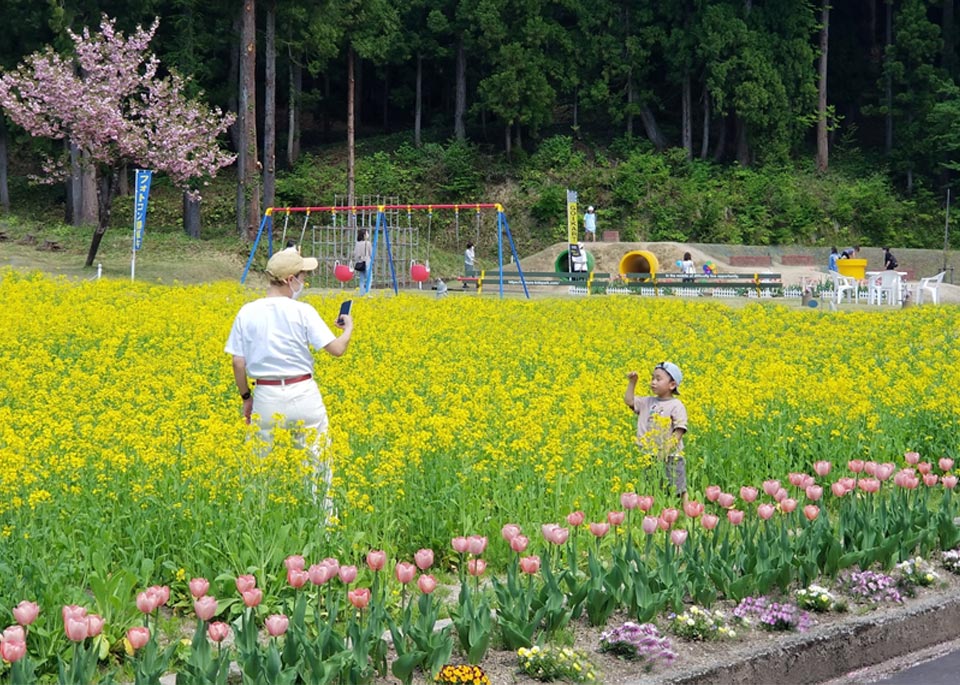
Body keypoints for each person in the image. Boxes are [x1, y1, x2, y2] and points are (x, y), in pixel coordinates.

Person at [225, 246, 353, 514]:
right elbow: (337, 349)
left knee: (258, 468)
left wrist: (246, 397)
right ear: (289, 279)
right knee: (318, 466)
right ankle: (325, 525)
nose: (303, 281)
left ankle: (257, 519)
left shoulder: (247, 311)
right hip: (303, 393)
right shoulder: (302, 311)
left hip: (266, 396)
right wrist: (348, 328)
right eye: (302, 276)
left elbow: (238, 362)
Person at [624, 361, 688, 501]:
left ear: (672, 385)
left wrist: (665, 450)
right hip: (648, 455)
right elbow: (629, 401)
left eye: (658, 379)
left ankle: (687, 516)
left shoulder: (676, 405)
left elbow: (679, 431)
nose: (653, 382)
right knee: (651, 489)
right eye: (652, 378)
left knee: (678, 488)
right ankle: (654, 515)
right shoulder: (647, 402)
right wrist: (632, 383)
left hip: (672, 457)